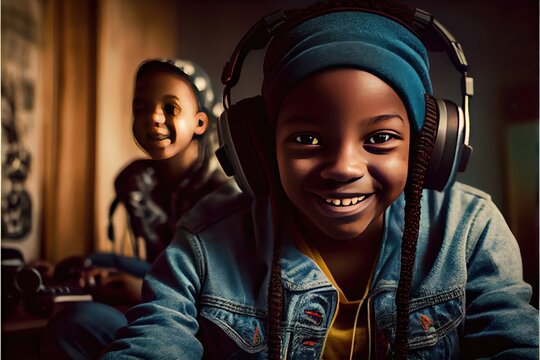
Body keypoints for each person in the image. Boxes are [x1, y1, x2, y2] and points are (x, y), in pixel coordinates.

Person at [100, 1, 539, 359]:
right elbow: (154, 340)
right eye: (307, 138)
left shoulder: (469, 230)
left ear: (428, 145)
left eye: (381, 137)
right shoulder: (205, 236)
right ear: (259, 149)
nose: (344, 167)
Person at [39, 58, 228, 359]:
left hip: (194, 315)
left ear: (200, 122)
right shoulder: (142, 182)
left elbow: (221, 294)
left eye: (170, 108)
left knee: (74, 322)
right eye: (140, 107)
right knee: (93, 260)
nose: (153, 117)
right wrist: (64, 271)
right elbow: (158, 259)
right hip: (162, 282)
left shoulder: (222, 198)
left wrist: (141, 288)